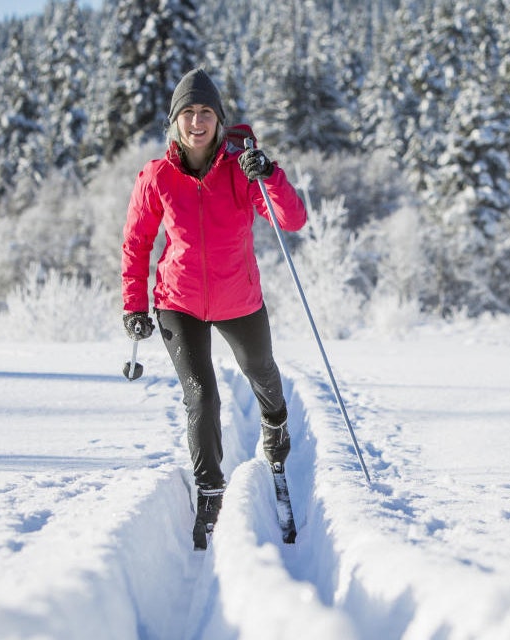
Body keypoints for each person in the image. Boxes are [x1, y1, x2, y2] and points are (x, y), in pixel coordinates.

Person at [121, 67, 308, 550]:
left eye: (206, 113)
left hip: (238, 297)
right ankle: (209, 487)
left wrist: (271, 175)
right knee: (201, 395)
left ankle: (276, 433)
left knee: (262, 372)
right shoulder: (157, 176)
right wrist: (134, 305)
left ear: (219, 120)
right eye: (188, 113)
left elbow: (293, 220)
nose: (197, 122)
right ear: (175, 123)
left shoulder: (243, 170)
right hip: (177, 301)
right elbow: (137, 243)